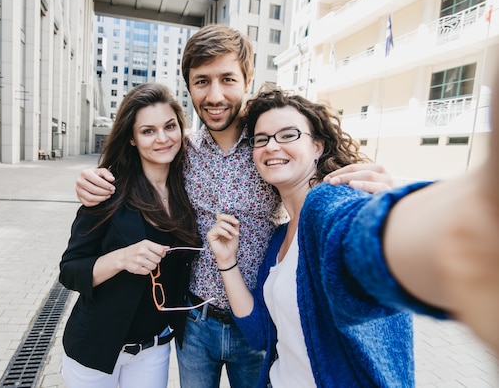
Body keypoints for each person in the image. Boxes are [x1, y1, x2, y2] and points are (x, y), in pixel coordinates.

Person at [74, 24, 393, 388]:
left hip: (258, 326)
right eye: (201, 81)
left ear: (248, 79)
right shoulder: (181, 152)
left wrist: (381, 197)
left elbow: (327, 179)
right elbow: (134, 168)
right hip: (194, 322)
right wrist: (92, 179)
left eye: (227, 79)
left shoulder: (269, 147)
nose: (215, 95)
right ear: (189, 86)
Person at [207, 82, 499, 387]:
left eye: (288, 134)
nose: (271, 146)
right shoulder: (280, 239)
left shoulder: (331, 204)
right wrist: (227, 262)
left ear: (317, 146)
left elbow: (363, 240)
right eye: (261, 139)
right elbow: (260, 334)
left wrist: (396, 213)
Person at [59, 83, 205, 388]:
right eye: (148, 131)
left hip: (154, 349)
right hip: (96, 347)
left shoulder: (190, 188)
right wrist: (121, 258)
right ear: (132, 138)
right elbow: (70, 271)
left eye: (169, 126)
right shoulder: (108, 190)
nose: (163, 138)